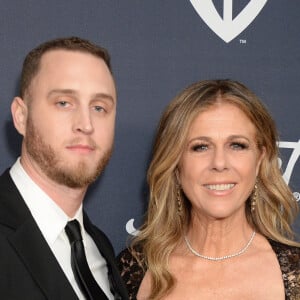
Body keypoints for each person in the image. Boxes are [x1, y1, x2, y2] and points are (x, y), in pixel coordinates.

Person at [117, 79, 300, 300]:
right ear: (175, 164)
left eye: (237, 145)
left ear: (260, 159)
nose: (220, 163)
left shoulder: (295, 272)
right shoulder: (132, 270)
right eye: (200, 147)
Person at [0, 37, 128, 299]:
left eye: (99, 107)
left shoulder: (99, 246)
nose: (86, 123)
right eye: (63, 103)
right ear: (21, 116)